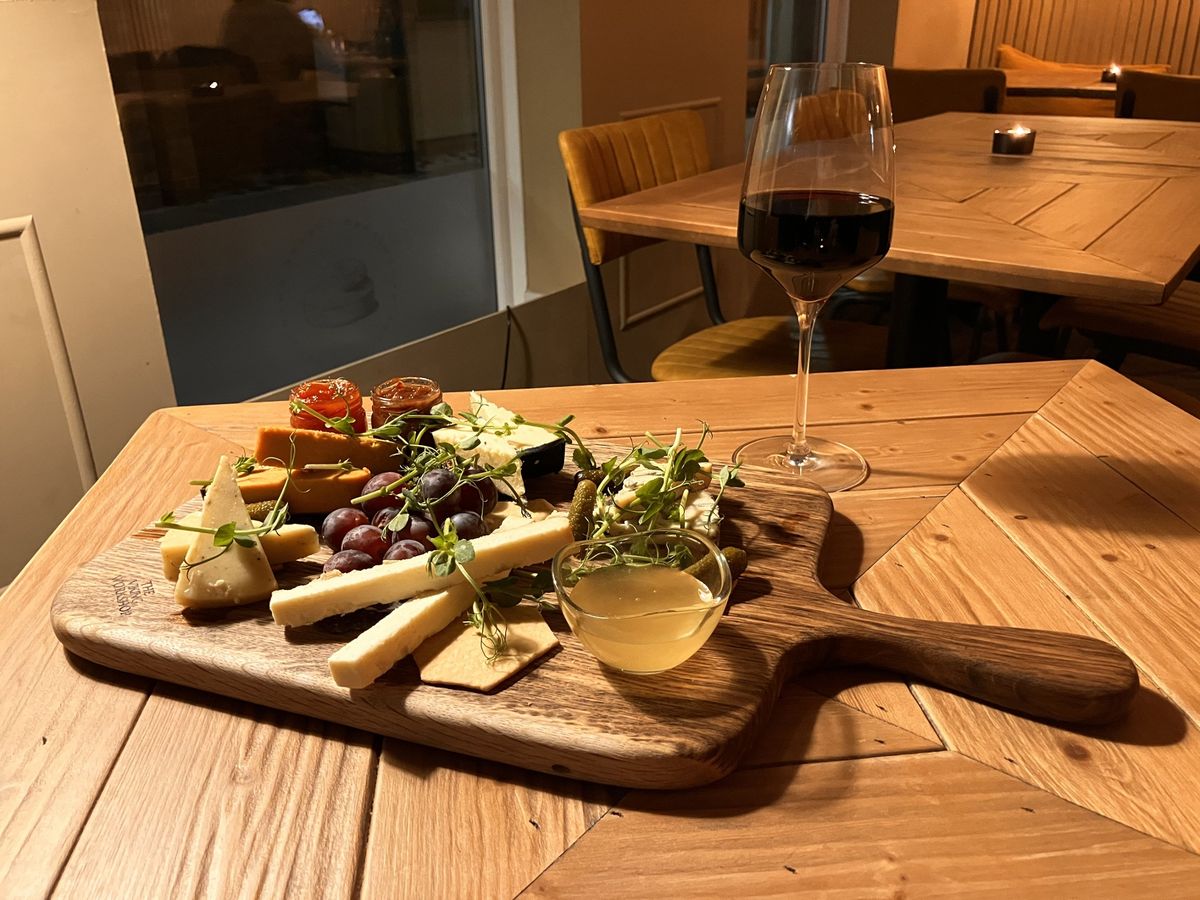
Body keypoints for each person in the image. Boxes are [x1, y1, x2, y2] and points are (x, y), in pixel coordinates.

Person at [220, 0, 315, 84]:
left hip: (243, 95)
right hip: (279, 93)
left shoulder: (234, 12)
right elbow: (315, 56)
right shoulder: (280, 12)